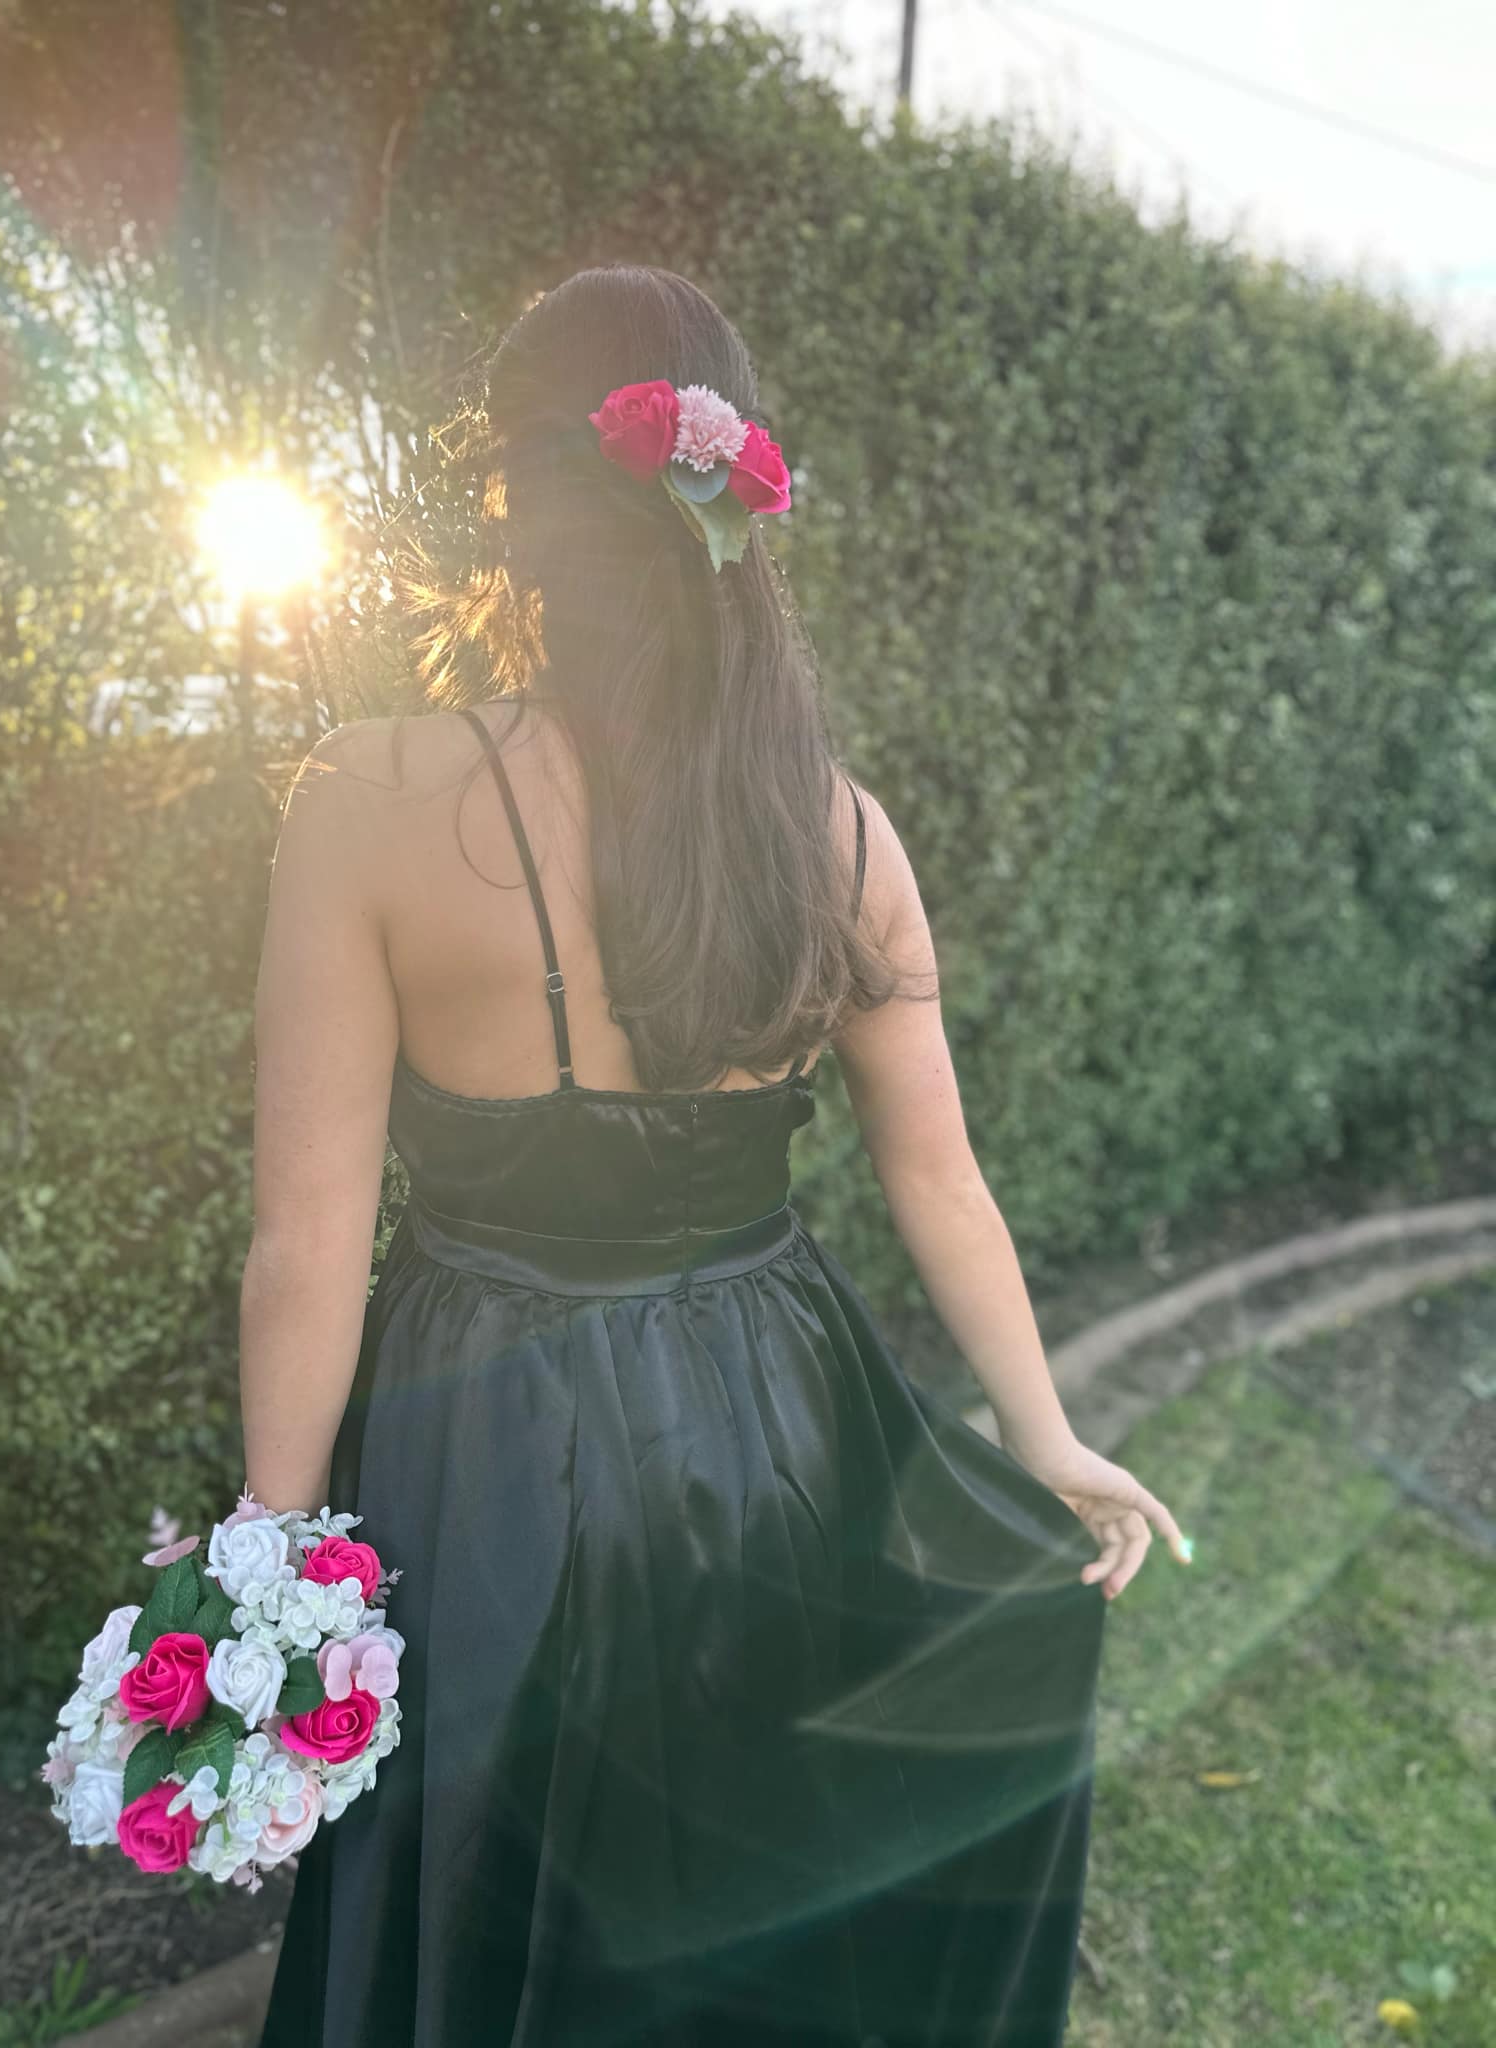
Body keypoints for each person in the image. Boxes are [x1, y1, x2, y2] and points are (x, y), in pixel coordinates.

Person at [246, 264, 1188, 2047]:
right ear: (734, 509)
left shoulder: (365, 799)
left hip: (480, 1433)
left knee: (479, 1884)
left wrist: (270, 1562)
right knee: (727, 1905)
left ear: (517, 500)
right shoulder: (839, 834)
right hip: (772, 1421)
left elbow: (306, 1242)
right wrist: (1044, 1434)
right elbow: (940, 1178)